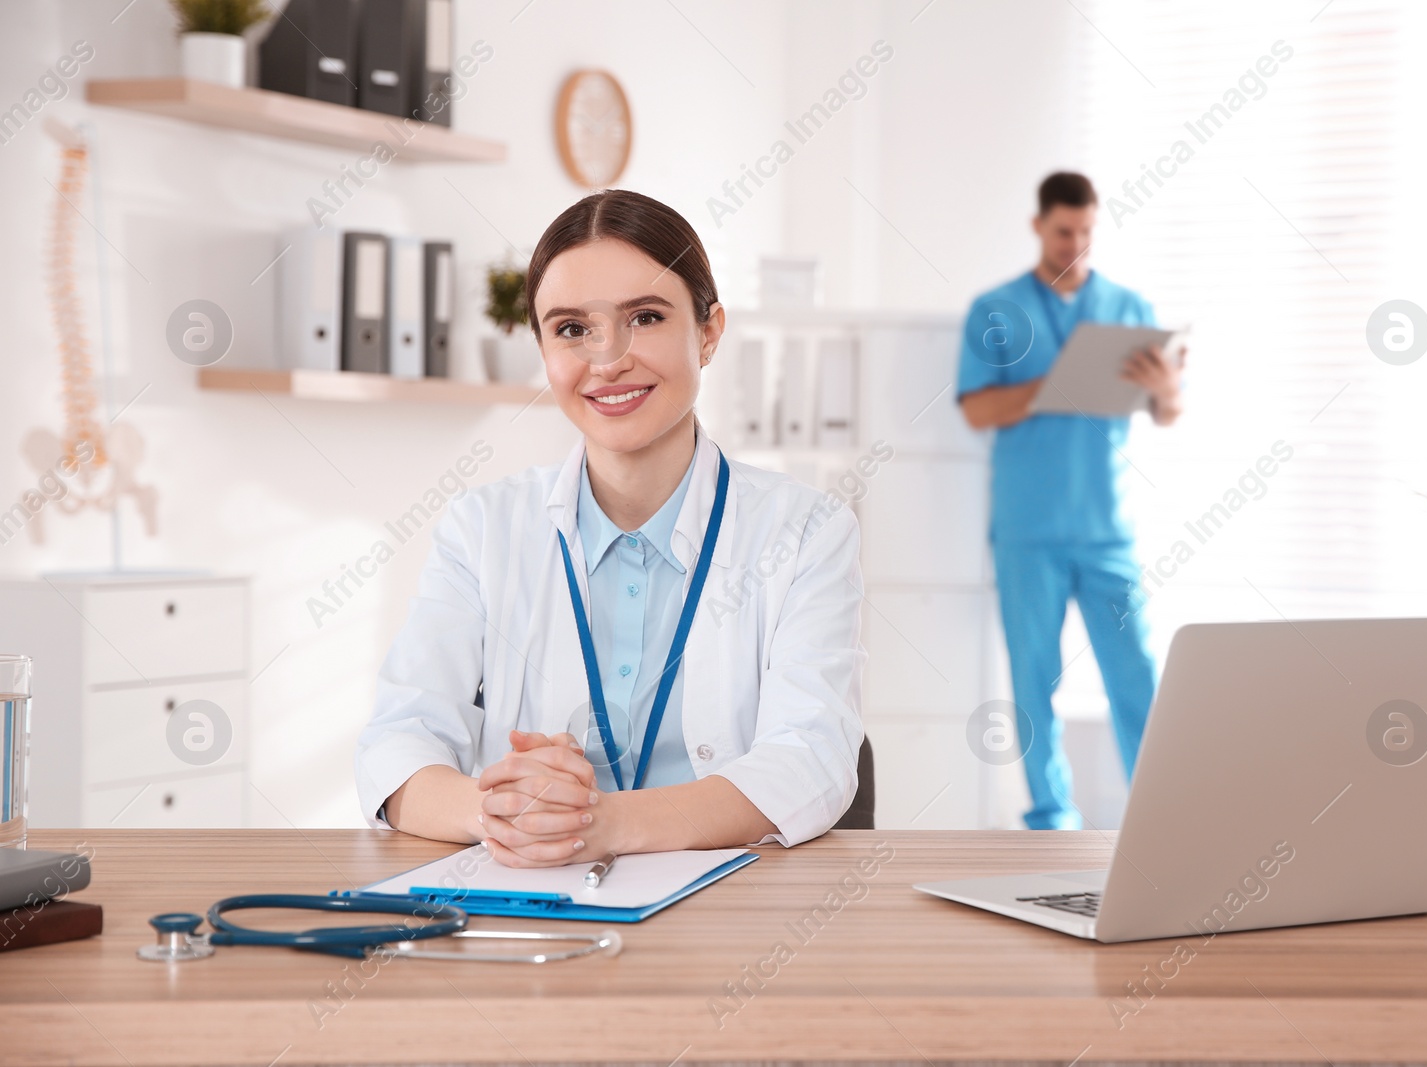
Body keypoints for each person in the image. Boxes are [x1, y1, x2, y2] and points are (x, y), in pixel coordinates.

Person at [355, 189, 865, 867]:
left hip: (735, 915)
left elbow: (813, 760)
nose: (607, 359)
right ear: (543, 347)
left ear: (709, 331)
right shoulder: (482, 528)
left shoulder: (807, 530)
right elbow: (398, 742)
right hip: (536, 903)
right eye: (572, 329)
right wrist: (499, 811)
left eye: (645, 317)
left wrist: (607, 822)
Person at [956, 172, 1185, 830]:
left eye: (1086, 232)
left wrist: (1167, 389)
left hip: (1105, 527)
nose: (1075, 245)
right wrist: (1053, 382)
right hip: (1028, 530)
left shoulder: (1129, 308)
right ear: (1038, 226)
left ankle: (1160, 812)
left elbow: (1166, 412)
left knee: (1136, 672)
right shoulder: (996, 309)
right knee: (1034, 682)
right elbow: (976, 408)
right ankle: (1050, 815)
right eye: (1063, 232)